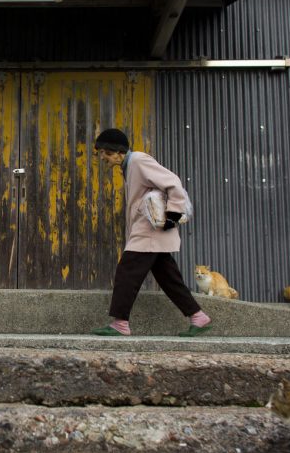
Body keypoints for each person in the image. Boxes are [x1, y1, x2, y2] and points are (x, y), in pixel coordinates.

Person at [91, 128, 212, 337]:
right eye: (101, 153)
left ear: (118, 152)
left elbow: (173, 182)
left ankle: (120, 324)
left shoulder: (138, 161)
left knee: (126, 273)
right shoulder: (129, 166)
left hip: (150, 232)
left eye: (106, 153)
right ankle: (198, 317)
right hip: (150, 232)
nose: (103, 157)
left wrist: (172, 217)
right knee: (168, 278)